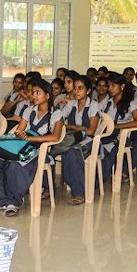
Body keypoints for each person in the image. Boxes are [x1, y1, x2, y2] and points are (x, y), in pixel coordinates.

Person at [0, 78, 64, 217]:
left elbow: (55, 137)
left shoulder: (56, 114)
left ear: (47, 95)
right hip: (23, 145)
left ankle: (14, 202)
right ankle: (2, 200)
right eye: (32, 93)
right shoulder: (29, 110)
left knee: (15, 165)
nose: (33, 95)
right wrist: (21, 133)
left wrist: (31, 138)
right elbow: (20, 129)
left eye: (37, 93)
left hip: (39, 149)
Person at [60, 76, 101, 205]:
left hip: (89, 141)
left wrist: (77, 129)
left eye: (81, 88)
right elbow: (58, 123)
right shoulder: (70, 105)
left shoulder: (94, 106)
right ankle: (79, 184)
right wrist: (73, 127)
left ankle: (79, 193)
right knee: (65, 151)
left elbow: (91, 131)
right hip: (73, 137)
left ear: (88, 91)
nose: (76, 91)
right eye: (75, 88)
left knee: (71, 152)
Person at [99, 73, 137, 183]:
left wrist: (117, 126)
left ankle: (101, 178)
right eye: (109, 86)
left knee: (109, 148)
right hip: (106, 134)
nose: (110, 89)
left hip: (120, 136)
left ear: (122, 87)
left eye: (113, 86)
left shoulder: (130, 103)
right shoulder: (107, 102)